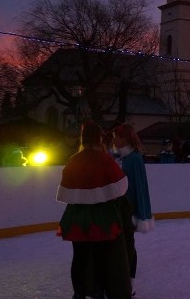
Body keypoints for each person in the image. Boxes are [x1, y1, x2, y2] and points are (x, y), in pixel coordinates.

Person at [56, 121, 131, 299]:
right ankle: (98, 291)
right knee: (100, 257)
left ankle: (79, 293)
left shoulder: (74, 159)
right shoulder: (104, 159)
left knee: (79, 257)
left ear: (82, 138)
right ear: (99, 138)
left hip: (78, 216)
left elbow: (65, 187)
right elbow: (121, 185)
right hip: (100, 216)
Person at [112, 124, 155, 295]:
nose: (114, 139)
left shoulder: (134, 159)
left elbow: (139, 187)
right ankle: (120, 281)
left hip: (127, 209)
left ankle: (129, 283)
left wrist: (139, 214)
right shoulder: (118, 157)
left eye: (116, 136)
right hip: (117, 208)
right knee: (121, 245)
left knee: (127, 246)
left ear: (125, 139)